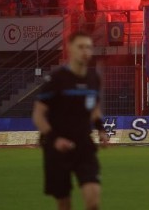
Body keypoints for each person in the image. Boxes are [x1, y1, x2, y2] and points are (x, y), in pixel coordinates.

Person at [33, 32, 109, 210]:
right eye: (81, 47)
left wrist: (101, 129)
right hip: (57, 149)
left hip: (84, 146)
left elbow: (95, 108)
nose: (85, 51)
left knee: (93, 201)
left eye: (88, 47)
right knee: (64, 203)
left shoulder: (94, 79)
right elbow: (38, 114)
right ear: (70, 49)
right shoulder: (56, 79)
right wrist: (55, 138)